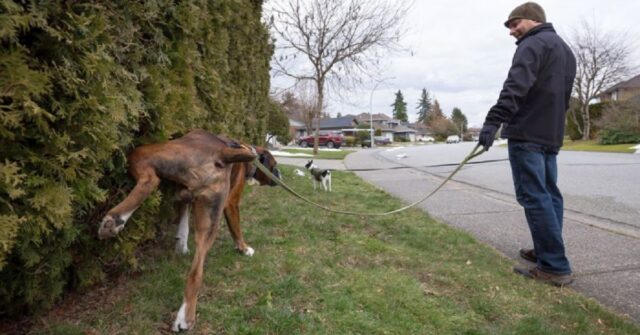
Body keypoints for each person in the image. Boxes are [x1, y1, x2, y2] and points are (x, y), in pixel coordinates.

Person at [478, 2, 576, 286]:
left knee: (534, 197)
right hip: (550, 134)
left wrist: (493, 121)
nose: (511, 31)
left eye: (514, 23)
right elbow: (565, 99)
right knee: (549, 195)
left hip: (528, 133)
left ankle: (554, 267)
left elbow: (515, 86)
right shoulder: (564, 50)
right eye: (509, 26)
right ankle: (546, 251)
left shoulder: (532, 44)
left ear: (532, 20)